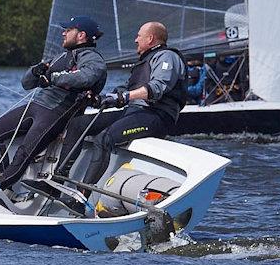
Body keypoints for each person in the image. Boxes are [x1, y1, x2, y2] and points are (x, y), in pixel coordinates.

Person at [56, 21, 187, 191]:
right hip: (134, 111)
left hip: (156, 116)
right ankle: (58, 180)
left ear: (150, 38)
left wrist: (125, 97)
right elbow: (126, 89)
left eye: (138, 36)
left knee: (104, 139)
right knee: (77, 124)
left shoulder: (167, 57)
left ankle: (82, 195)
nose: (135, 40)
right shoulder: (144, 61)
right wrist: (99, 99)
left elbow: (157, 88)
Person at [0, 15, 107, 195]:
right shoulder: (61, 56)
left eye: (68, 30)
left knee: (24, 153)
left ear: (81, 35)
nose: (63, 33)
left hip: (56, 112)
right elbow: (26, 84)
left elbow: (87, 76)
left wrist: (53, 77)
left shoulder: (93, 59)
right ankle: (4, 181)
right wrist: (35, 71)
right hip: (35, 105)